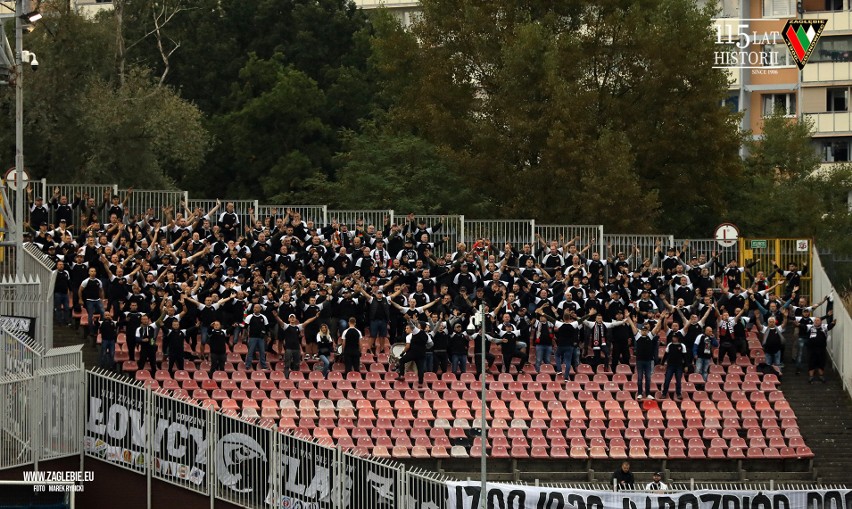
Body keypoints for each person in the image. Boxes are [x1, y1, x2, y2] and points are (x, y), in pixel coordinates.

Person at [806, 312, 837, 383]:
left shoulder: (824, 327)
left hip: (821, 349)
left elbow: (830, 326)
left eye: (818, 320)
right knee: (811, 362)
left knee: (821, 362)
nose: (816, 321)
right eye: (815, 320)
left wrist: (833, 323)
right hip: (811, 349)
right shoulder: (810, 327)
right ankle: (811, 377)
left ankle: (821, 376)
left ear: (821, 321)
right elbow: (802, 326)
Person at [243, 304, 270, 371]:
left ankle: (263, 366)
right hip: (252, 337)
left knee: (262, 352)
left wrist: (269, 336)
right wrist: (244, 336)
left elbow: (267, 328)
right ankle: (247, 365)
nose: (255, 309)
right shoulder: (249, 317)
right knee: (250, 352)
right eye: (254, 307)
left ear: (260, 309)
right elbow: (245, 328)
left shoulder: (263, 317)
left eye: (257, 307)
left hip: (261, 338)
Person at [661, 329, 688, 400]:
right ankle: (664, 393)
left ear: (678, 338)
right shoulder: (670, 345)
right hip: (670, 365)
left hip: (679, 366)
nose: (674, 338)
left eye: (675, 337)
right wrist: (662, 363)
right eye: (673, 337)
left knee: (678, 381)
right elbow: (665, 355)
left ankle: (678, 394)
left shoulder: (682, 346)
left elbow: (685, 357)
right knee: (667, 380)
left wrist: (686, 366)